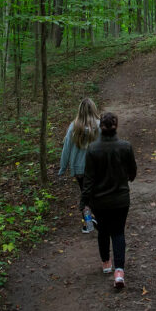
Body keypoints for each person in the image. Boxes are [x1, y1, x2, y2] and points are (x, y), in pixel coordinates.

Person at [82, 112, 136, 290]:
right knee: (118, 233)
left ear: (100, 128)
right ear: (116, 127)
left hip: (100, 201)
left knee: (103, 231)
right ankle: (119, 272)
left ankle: (106, 263)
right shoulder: (125, 147)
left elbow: (88, 179)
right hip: (121, 199)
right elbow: (132, 173)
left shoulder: (92, 149)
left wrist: (84, 202)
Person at [58, 98, 100, 233]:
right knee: (97, 193)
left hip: (79, 168)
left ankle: (88, 225)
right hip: (97, 167)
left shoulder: (74, 127)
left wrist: (62, 168)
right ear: (93, 109)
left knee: (85, 195)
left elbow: (66, 149)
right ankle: (100, 219)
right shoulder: (100, 126)